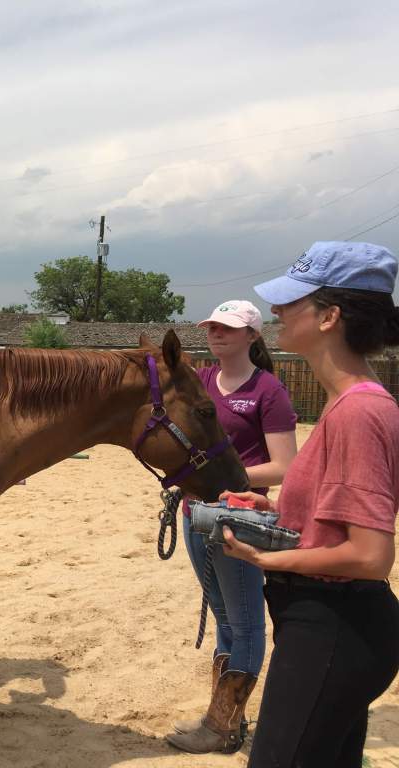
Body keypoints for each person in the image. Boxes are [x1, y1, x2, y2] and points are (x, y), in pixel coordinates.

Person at [220, 241, 399, 768]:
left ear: (329, 317)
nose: (276, 310)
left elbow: (370, 556)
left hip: (334, 625)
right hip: (333, 624)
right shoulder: (351, 403)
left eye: (291, 301)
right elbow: (337, 522)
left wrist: (266, 558)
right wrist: (276, 512)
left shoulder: (357, 412)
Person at [167, 300, 297, 754]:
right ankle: (227, 718)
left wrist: (219, 476)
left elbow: (284, 465)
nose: (217, 334)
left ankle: (220, 726)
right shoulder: (201, 381)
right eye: (213, 327)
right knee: (225, 616)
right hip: (193, 513)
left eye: (228, 328)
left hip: (239, 516)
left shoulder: (268, 391)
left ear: (252, 336)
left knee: (244, 623)